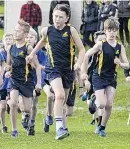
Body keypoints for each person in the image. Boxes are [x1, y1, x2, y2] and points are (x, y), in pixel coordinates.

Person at [28, 4, 87, 140]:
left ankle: (62, 125)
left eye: (61, 17)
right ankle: (59, 128)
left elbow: (82, 49)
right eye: (55, 16)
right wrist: (32, 54)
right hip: (53, 68)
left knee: (63, 102)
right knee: (59, 96)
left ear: (66, 18)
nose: (57, 19)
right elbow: (43, 42)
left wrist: (78, 64)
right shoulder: (47, 30)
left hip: (68, 70)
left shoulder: (71, 30)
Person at [80, 18, 128, 137]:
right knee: (101, 104)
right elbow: (86, 55)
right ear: (105, 31)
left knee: (109, 105)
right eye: (109, 30)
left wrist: (120, 63)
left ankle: (101, 127)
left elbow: (127, 64)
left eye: (114, 30)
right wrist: (84, 73)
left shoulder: (120, 47)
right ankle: (94, 99)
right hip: (99, 77)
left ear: (117, 31)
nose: (111, 33)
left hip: (111, 78)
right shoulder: (101, 44)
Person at [5, 20, 43, 138]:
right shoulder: (10, 48)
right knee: (13, 104)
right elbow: (8, 65)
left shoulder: (29, 48)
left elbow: (37, 66)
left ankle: (28, 120)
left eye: (18, 31)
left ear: (25, 35)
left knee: (27, 108)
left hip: (27, 81)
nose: (15, 33)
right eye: (14, 31)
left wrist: (39, 83)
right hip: (14, 80)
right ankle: (14, 130)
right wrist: (7, 71)